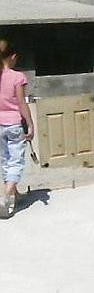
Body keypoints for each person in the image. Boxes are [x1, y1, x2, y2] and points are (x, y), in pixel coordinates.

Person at [0, 39, 34, 218]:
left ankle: (15, 194)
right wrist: (30, 123)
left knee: (5, 160)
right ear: (12, 57)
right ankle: (5, 196)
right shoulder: (16, 77)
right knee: (16, 161)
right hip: (13, 124)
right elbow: (21, 103)